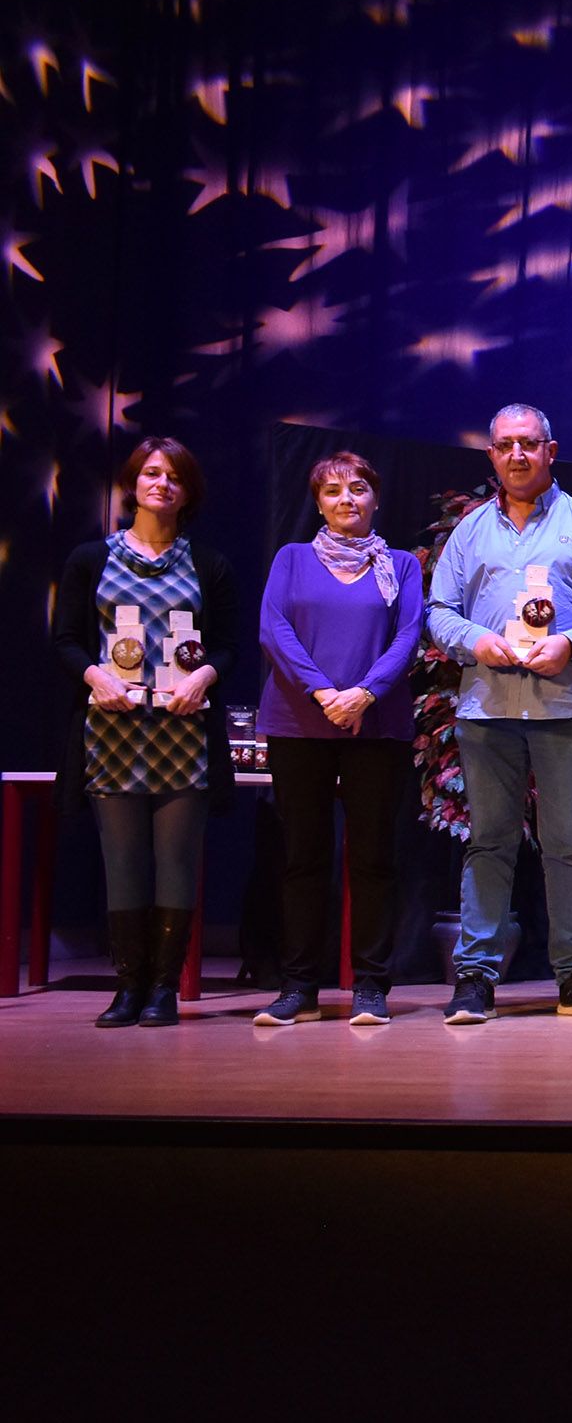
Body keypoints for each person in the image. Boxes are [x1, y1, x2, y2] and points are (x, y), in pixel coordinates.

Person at [425, 404, 572, 1024]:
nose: (516, 455)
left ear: (551, 449)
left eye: (528, 444)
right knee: (489, 842)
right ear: (491, 456)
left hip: (566, 705)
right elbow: (438, 609)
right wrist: (477, 643)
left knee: (568, 845)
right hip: (488, 706)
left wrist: (571, 644)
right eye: (503, 446)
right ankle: (475, 978)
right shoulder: (469, 532)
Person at [52, 438, 239, 1029]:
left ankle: (163, 988)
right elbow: (65, 639)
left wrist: (204, 676)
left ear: (188, 493)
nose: (162, 484)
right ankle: (126, 986)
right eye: (151, 474)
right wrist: (94, 678)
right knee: (123, 860)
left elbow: (230, 645)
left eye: (174, 477)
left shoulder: (208, 563)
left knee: (176, 860)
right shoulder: (90, 558)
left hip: (183, 731)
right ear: (132, 485)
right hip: (112, 729)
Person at [253, 451, 425, 1027]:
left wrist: (364, 694)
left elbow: (408, 636)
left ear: (375, 497)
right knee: (303, 858)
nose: (345, 499)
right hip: (300, 722)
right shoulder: (292, 558)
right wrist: (324, 692)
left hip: (376, 725)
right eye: (331, 491)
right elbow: (273, 627)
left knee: (373, 858)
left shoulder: (400, 565)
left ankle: (371, 985)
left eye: (357, 488)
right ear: (318, 502)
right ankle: (298, 984)